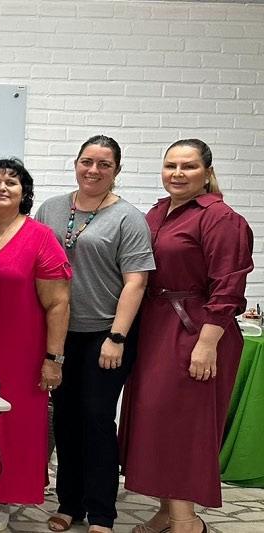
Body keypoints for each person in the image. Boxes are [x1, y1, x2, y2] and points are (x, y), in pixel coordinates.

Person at [120, 139, 253, 533]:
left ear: (207, 172)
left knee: (182, 426)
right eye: (171, 166)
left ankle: (186, 521)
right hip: (156, 326)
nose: (178, 173)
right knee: (155, 421)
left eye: (189, 166)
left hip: (196, 329)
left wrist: (207, 344)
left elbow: (229, 286)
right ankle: (167, 511)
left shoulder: (221, 218)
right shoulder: (158, 211)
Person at [34, 136, 154, 533]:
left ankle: (102, 511)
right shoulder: (51, 208)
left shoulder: (128, 218)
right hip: (60, 333)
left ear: (116, 170)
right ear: (76, 164)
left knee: (98, 418)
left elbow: (136, 281)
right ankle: (70, 503)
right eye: (87, 161)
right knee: (65, 417)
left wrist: (117, 337)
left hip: (105, 334)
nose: (94, 170)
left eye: (104, 164)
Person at [0, 159, 71, 532]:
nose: (2, 187)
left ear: (24, 193)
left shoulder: (40, 236)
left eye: (12, 182)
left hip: (20, 349)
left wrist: (53, 359)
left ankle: (0, 496)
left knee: (11, 424)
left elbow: (59, 303)